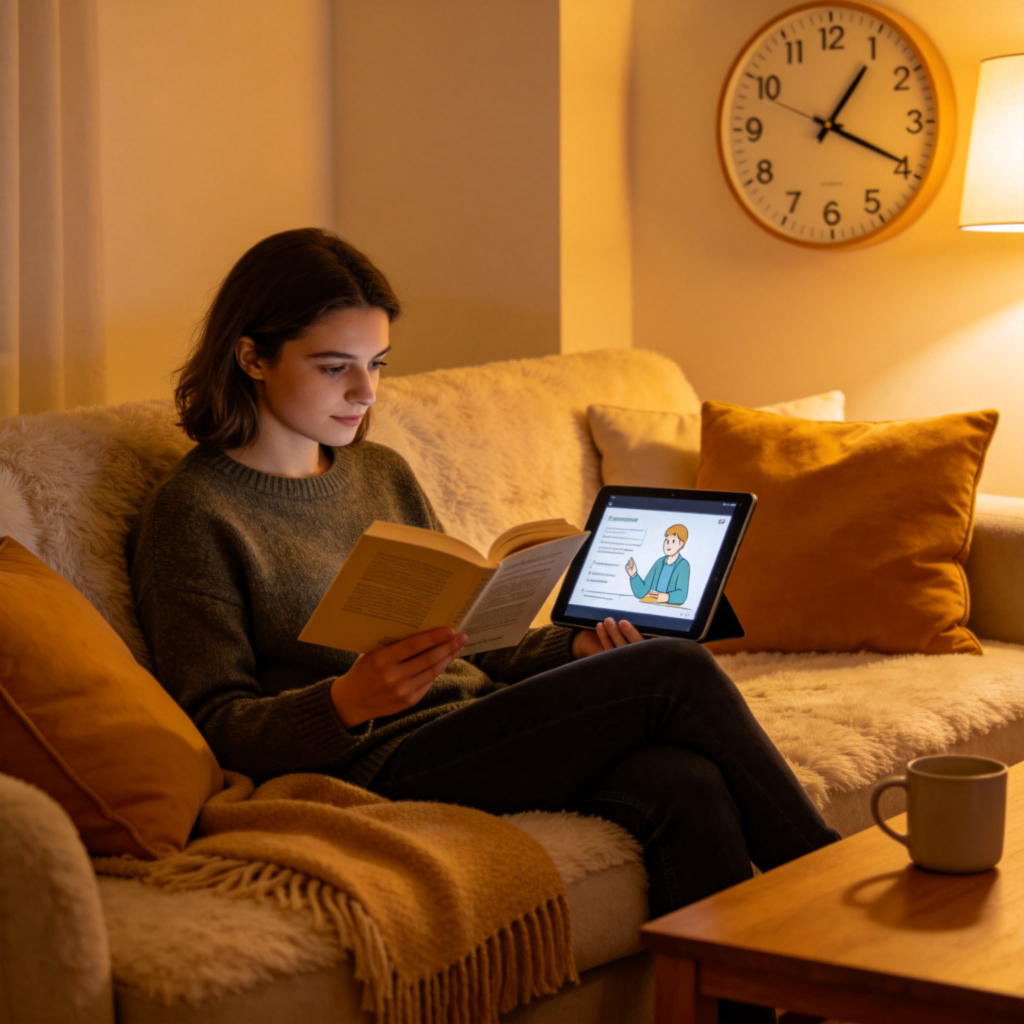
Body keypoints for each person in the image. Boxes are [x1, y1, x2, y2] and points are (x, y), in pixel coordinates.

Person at [131, 228, 838, 1024]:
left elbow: (475, 644)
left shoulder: (378, 471)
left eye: (376, 364)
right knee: (675, 671)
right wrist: (346, 703)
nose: (365, 392)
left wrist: (574, 647)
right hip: (375, 762)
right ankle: (835, 905)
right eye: (334, 368)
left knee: (684, 782)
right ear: (252, 357)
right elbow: (213, 722)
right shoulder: (193, 513)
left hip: (471, 723)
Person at [626, 523, 691, 604]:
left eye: (673, 541)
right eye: (667, 541)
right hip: (652, 605)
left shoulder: (683, 565)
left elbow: (682, 595)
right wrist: (634, 575)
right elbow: (642, 592)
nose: (668, 544)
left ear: (681, 544)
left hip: (669, 608)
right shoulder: (659, 562)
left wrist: (666, 597)